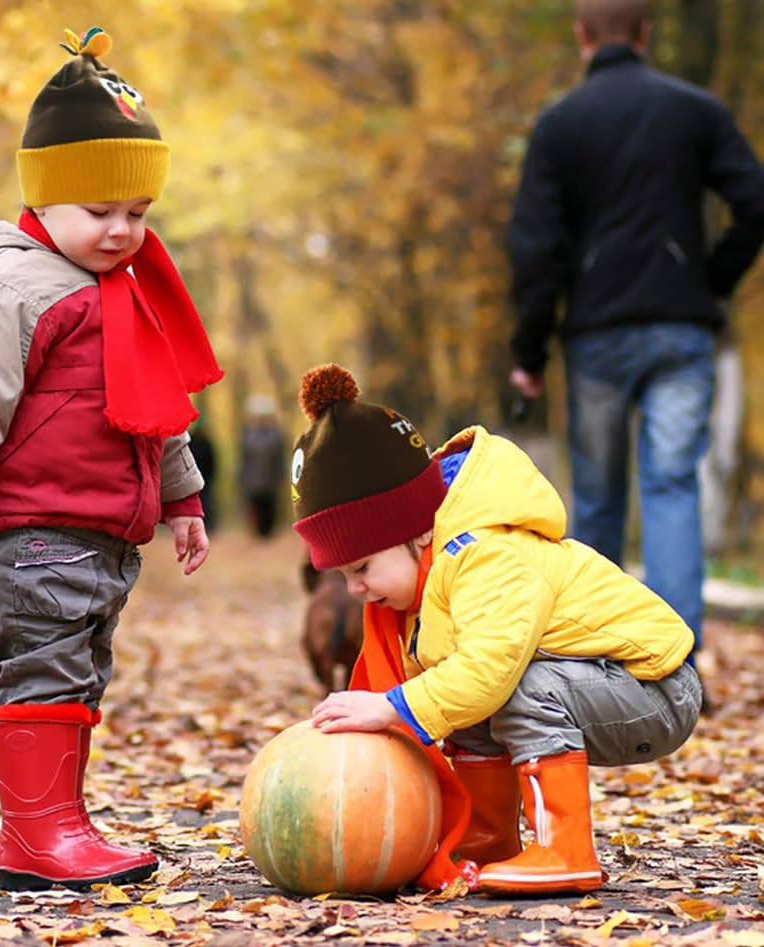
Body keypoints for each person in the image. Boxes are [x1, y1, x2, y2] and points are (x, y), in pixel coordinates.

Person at [0, 26, 223, 892]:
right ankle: (36, 835)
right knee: (43, 664)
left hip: (98, 529)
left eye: (138, 213)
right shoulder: (8, 284)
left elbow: (157, 412)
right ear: (43, 201)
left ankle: (58, 821)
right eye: (99, 212)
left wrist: (183, 499)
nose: (122, 231)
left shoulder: (118, 291)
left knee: (79, 670)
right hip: (31, 525)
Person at [294, 364, 701, 895]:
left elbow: (488, 668)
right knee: (462, 695)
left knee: (506, 684)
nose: (354, 590)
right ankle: (488, 839)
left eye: (362, 567)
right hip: (595, 682)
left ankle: (566, 849)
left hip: (654, 688)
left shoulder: (487, 555)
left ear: (414, 531)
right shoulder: (426, 580)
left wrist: (393, 705)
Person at [507, 0, 764, 676]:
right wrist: (710, 279)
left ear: (580, 35)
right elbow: (755, 201)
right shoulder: (694, 110)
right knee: (672, 486)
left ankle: (599, 662)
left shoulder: (560, 124)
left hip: (596, 334)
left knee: (596, 497)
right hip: (681, 328)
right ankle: (675, 662)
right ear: (645, 33)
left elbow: (536, 249)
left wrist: (529, 350)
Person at [238, 394, 286, 538]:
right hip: (253, 480)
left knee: (269, 506)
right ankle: (258, 532)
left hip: (270, 479)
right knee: (255, 506)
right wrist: (242, 476)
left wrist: (280, 475)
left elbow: (279, 458)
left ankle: (268, 532)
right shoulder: (248, 434)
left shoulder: (276, 435)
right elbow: (244, 458)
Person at [187, 420, 218, 531]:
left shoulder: (191, 443)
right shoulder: (204, 443)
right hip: (202, 478)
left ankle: (204, 523)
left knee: (203, 501)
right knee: (204, 501)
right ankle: (204, 523)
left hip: (199, 478)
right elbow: (212, 462)